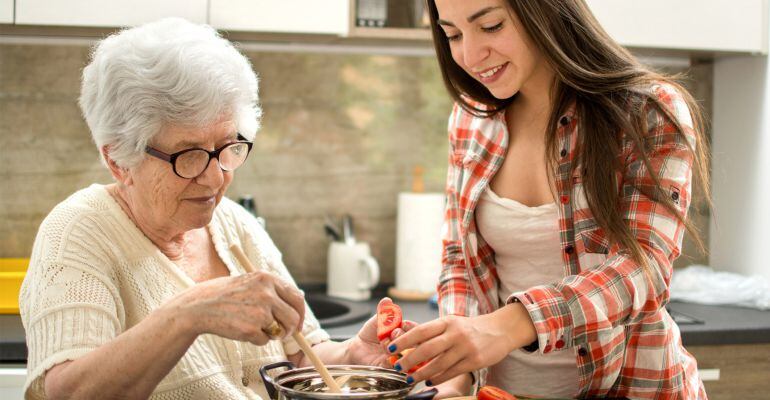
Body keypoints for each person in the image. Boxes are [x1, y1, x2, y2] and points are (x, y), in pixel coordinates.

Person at [19, 17, 393, 400]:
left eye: (227, 147)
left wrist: (352, 356)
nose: (215, 179)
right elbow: (67, 394)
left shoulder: (234, 224)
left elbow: (300, 357)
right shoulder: (79, 232)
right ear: (118, 159)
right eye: (189, 155)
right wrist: (189, 313)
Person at [387, 1, 710, 399]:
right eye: (452, 34)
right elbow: (460, 260)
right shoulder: (471, 119)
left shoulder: (648, 111)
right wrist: (457, 374)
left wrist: (511, 324)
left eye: (490, 26)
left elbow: (643, 269)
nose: (470, 56)